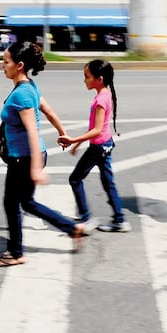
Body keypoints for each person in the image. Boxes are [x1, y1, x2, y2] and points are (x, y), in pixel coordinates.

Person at [0, 40, 88, 266]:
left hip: (23, 158)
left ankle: (15, 253)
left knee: (12, 203)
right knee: (26, 202)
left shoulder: (21, 95)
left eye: (6, 62)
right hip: (30, 156)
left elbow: (33, 132)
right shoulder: (29, 87)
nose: (2, 65)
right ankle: (72, 228)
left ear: (20, 65)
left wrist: (35, 169)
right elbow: (49, 110)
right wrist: (62, 132)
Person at [58, 59, 127, 233]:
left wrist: (73, 140)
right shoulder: (104, 95)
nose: (84, 80)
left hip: (98, 147)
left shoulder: (101, 100)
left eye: (87, 77)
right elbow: (95, 127)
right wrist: (78, 143)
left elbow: (96, 130)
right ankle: (120, 220)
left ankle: (87, 218)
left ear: (100, 79)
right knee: (108, 182)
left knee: (75, 179)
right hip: (105, 144)